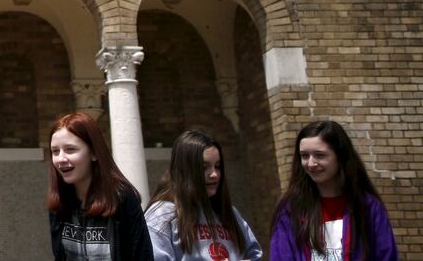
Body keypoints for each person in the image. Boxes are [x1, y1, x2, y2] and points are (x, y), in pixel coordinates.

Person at [270, 120, 398, 261]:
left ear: (340, 156)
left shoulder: (367, 206)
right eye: (305, 156)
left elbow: (386, 256)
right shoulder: (290, 210)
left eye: (320, 155)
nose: (311, 163)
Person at [47, 111, 154, 261]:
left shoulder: (122, 198)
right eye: (55, 151)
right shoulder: (59, 202)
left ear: (94, 153)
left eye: (70, 149)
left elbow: (142, 255)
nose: (61, 159)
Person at [144, 129, 262, 261]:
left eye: (217, 166)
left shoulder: (230, 214)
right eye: (204, 167)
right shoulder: (162, 216)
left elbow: (254, 254)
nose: (214, 174)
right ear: (185, 170)